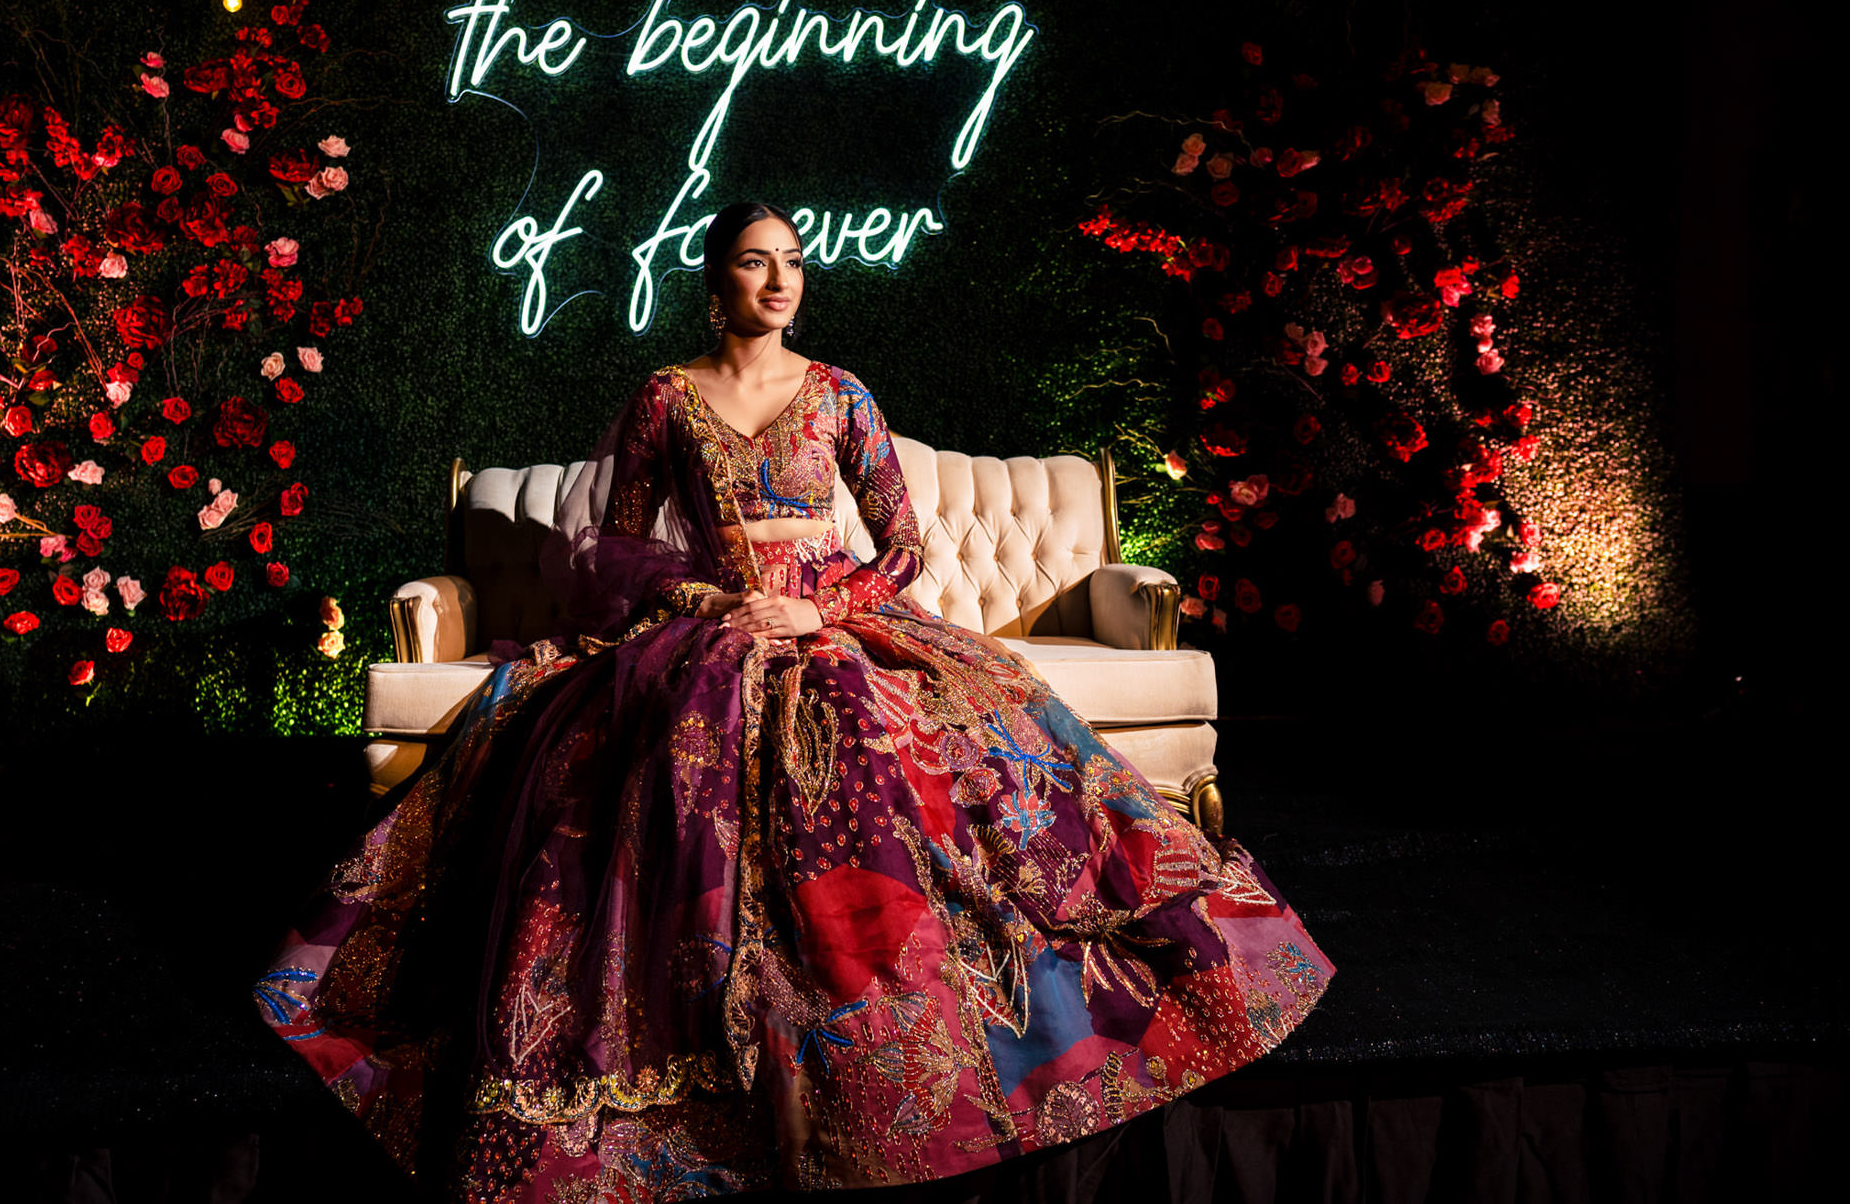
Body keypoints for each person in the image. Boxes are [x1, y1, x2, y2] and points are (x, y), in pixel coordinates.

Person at [255, 202, 1333, 1200]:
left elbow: (902, 545)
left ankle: (891, 1015)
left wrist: (820, 610)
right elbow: (622, 546)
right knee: (658, 758)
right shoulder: (667, 396)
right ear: (713, 282)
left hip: (831, 620)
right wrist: (712, 600)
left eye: (792, 263)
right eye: (754, 263)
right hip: (713, 624)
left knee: (880, 736)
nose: (779, 281)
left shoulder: (841, 393)